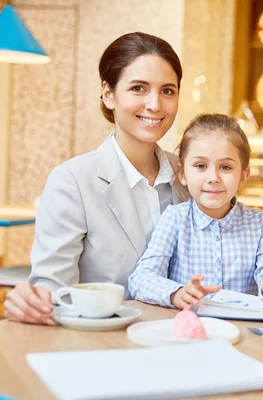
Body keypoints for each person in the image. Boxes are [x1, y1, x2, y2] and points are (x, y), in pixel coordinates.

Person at [3, 32, 184, 325]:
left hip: (185, 344)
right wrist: (32, 304)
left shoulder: (189, 176)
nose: (155, 104)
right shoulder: (72, 181)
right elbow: (53, 292)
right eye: (138, 88)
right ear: (108, 94)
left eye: (168, 91)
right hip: (104, 346)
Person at [128, 113, 263, 309]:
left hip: (243, 332)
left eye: (225, 167)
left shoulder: (260, 223)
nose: (213, 177)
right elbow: (141, 279)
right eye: (201, 166)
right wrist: (176, 293)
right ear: (182, 174)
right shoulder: (175, 219)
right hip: (190, 331)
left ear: (243, 176)